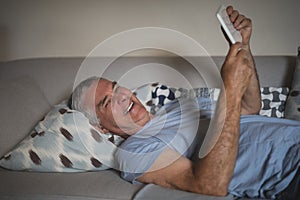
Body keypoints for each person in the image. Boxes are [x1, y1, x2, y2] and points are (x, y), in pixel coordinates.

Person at [71, 6, 300, 199]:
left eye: (116, 87)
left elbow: (251, 108)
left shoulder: (182, 104)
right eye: (107, 102)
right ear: (100, 127)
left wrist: (243, 46)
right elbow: (210, 185)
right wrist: (229, 90)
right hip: (290, 173)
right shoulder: (133, 152)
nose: (122, 96)